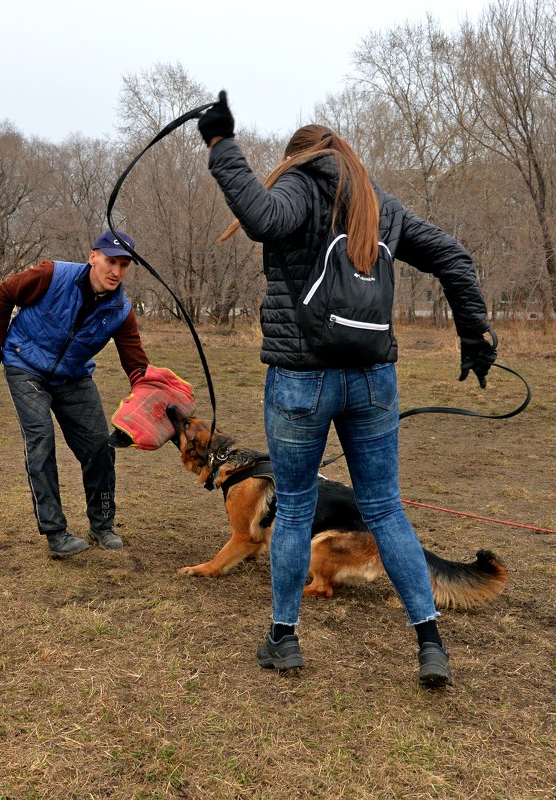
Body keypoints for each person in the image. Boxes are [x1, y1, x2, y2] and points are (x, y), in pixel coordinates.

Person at [197, 92, 497, 688]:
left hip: (300, 379)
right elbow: (454, 259)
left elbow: (260, 217)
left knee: (297, 508)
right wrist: (475, 335)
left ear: (297, 158)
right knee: (386, 509)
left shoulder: (299, 189)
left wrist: (220, 143)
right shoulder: (380, 207)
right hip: (372, 379)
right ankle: (430, 642)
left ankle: (283, 639)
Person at [0, 230, 150, 558]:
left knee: (100, 447)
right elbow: (5, 293)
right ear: (93, 257)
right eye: (110, 261)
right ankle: (56, 532)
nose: (116, 271)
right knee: (41, 441)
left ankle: (102, 525)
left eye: (124, 264)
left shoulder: (120, 310)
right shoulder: (51, 274)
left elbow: (135, 361)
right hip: (25, 363)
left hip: (73, 376)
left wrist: (150, 397)